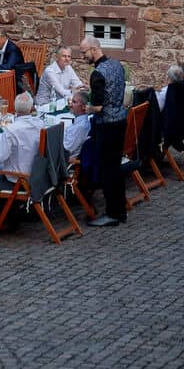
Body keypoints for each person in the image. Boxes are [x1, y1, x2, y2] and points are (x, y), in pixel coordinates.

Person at [80, 37, 128, 228]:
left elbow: (98, 107)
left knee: (108, 171)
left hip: (107, 125)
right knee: (115, 169)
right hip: (120, 120)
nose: (83, 57)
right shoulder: (117, 64)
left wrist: (86, 108)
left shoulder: (97, 74)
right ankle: (119, 209)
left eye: (84, 53)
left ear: (93, 49)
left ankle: (113, 213)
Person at [0, 92, 43, 184]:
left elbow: (0, 158)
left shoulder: (11, 129)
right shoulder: (40, 124)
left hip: (18, 180)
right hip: (37, 177)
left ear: (14, 108)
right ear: (31, 108)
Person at [63, 85, 93, 160]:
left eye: (74, 102)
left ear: (84, 107)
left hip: (65, 160)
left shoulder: (80, 127)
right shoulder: (81, 122)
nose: (70, 105)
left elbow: (66, 150)